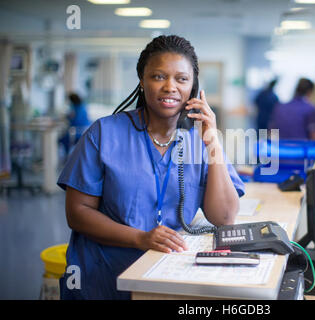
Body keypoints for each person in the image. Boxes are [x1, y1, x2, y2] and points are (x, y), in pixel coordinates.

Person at [57, 35, 245, 299]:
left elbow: (224, 217)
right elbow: (77, 213)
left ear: (193, 88)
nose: (170, 87)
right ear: (142, 81)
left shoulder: (200, 140)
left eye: (181, 79)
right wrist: (140, 238)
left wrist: (212, 141)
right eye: (158, 76)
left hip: (166, 278)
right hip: (103, 280)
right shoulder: (104, 134)